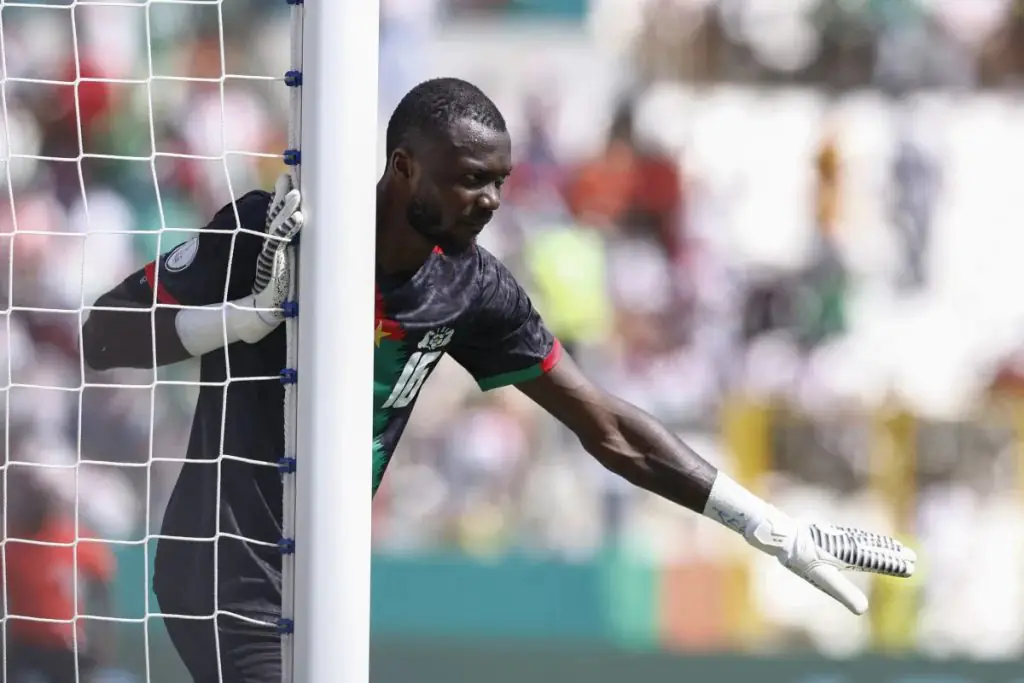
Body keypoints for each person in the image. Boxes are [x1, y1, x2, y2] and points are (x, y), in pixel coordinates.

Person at [81, 78, 915, 683]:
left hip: (323, 574)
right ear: (404, 167)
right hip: (221, 563)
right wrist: (245, 317)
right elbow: (102, 334)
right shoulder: (276, 231)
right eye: (470, 178)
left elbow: (604, 424)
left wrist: (766, 524)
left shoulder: (471, 286)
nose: (489, 200)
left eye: (500, 181)